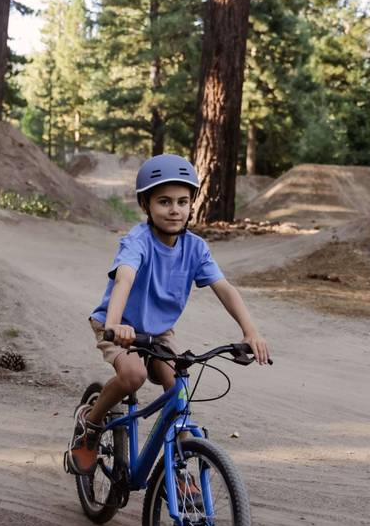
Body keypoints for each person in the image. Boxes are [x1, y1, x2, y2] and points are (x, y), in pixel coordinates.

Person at [67, 153, 269, 476]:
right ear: (146, 205)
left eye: (182, 201)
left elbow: (225, 288)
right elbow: (124, 279)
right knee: (134, 376)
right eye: (164, 201)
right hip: (117, 325)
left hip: (158, 333)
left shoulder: (196, 248)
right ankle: (90, 425)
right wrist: (116, 324)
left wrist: (250, 331)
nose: (175, 210)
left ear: (192, 205)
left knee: (178, 382)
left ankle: (180, 462)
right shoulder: (138, 241)